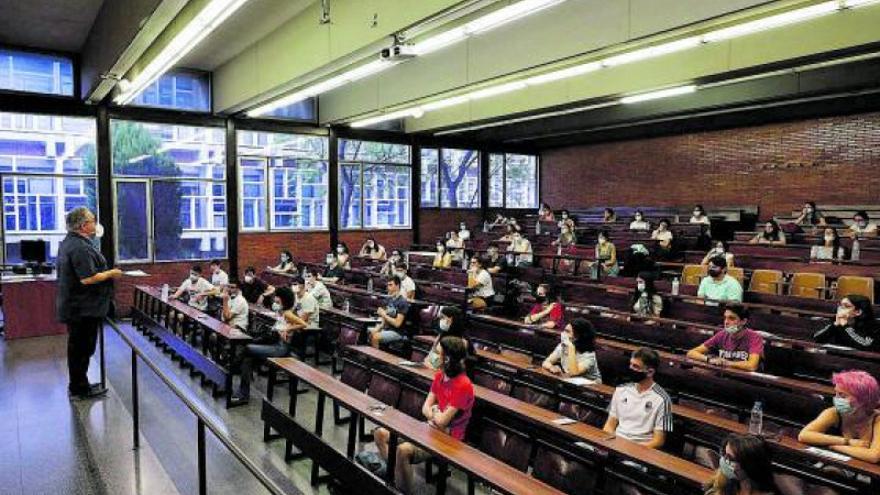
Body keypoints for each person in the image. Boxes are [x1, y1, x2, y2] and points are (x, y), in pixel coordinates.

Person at [374, 337, 474, 494]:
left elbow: (442, 421)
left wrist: (434, 412)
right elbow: (425, 408)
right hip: (430, 428)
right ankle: (396, 477)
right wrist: (435, 412)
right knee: (380, 434)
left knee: (403, 451)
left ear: (447, 359)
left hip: (450, 438)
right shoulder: (439, 376)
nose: (433, 355)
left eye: (438, 353)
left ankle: (402, 489)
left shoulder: (463, 384)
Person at [56, 207, 122, 399]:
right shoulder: (79, 247)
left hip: (80, 308)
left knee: (81, 349)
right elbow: (88, 278)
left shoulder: (73, 242)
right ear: (83, 225)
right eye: (93, 220)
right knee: (81, 349)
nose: (95, 224)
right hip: (82, 309)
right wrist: (112, 273)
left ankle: (80, 384)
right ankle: (79, 388)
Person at [798, 370, 880, 464]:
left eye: (842, 395)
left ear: (862, 399)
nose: (836, 399)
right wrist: (848, 442)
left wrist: (834, 446)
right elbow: (804, 435)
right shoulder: (833, 412)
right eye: (836, 393)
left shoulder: (877, 419)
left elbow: (874, 456)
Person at [232, 287, 297, 404]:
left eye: (277, 300)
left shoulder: (288, 313)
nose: (275, 302)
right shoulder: (281, 312)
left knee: (246, 348)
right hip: (274, 344)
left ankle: (231, 368)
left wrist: (288, 328)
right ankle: (243, 394)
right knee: (247, 359)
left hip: (280, 349)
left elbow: (303, 324)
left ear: (284, 300)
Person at [603, 347, 672, 448]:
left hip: (639, 450)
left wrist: (634, 450)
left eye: (636, 367)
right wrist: (612, 442)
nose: (631, 369)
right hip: (616, 443)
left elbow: (658, 440)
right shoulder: (621, 390)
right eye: (630, 364)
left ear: (650, 372)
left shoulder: (663, 399)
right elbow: (609, 425)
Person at [686, 305, 763, 371]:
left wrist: (727, 363)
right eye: (725, 318)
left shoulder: (754, 337)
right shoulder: (722, 334)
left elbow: (752, 365)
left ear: (743, 321)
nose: (726, 322)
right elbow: (691, 353)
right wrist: (709, 360)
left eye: (731, 318)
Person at [704, 434, 779, 495]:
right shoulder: (727, 482)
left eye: (730, 458)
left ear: (749, 466)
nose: (724, 460)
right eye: (724, 454)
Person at [814, 295, 879, 352]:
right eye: (840, 305)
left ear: (858, 312)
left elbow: (866, 345)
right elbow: (816, 338)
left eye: (846, 306)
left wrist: (845, 326)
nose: (840, 309)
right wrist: (834, 325)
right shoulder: (838, 322)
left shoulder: (872, 326)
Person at [368, 276, 410, 348]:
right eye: (387, 285)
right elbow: (383, 321)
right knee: (368, 332)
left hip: (397, 332)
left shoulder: (403, 302)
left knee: (375, 337)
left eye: (390, 285)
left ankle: (375, 358)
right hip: (386, 328)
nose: (388, 287)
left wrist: (384, 315)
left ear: (397, 286)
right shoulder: (388, 299)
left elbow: (397, 324)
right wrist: (378, 328)